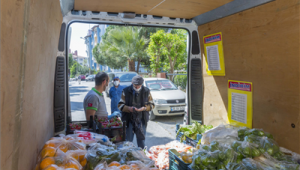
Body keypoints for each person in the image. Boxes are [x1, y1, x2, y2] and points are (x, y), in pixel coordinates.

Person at [118, 75, 155, 149]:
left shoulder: (147, 91)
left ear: (142, 84)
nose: (137, 87)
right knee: (128, 141)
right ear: (132, 83)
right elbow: (120, 105)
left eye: (139, 86)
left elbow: (152, 105)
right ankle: (128, 156)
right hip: (129, 120)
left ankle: (141, 156)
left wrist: (144, 108)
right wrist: (129, 108)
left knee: (141, 141)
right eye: (135, 86)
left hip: (142, 119)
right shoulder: (125, 91)